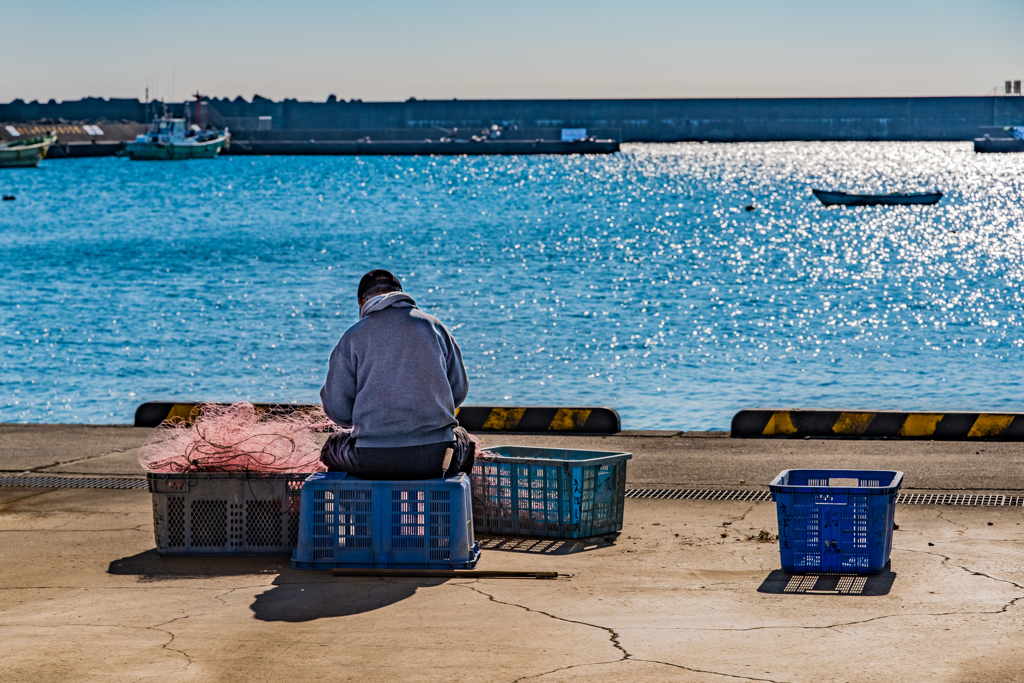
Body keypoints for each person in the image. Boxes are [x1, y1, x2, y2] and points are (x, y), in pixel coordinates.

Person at [319, 269, 475, 479]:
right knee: (465, 440)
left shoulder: (352, 337)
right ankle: (451, 507)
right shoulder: (435, 327)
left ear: (360, 302)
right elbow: (459, 392)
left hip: (371, 459)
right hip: (437, 457)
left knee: (332, 447)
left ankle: (359, 510)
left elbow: (338, 411)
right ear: (399, 294)